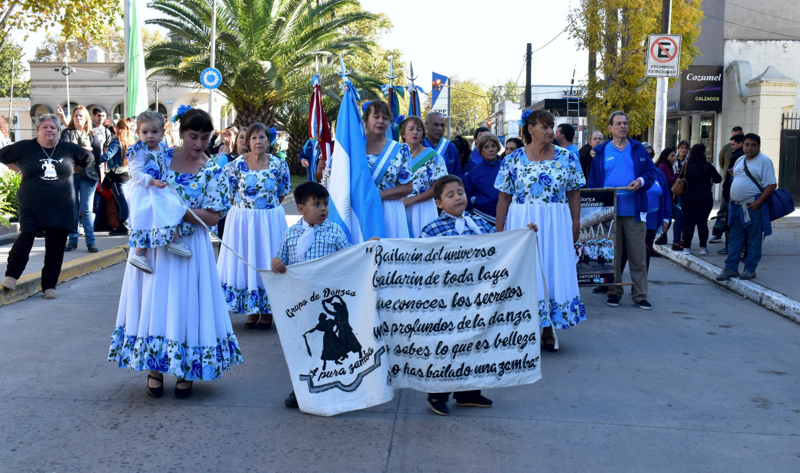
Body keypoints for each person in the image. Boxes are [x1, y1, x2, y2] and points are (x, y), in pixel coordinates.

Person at [108, 107, 241, 399]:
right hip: (155, 244)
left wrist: (178, 213)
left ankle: (185, 369)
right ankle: (155, 367)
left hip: (190, 247)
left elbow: (213, 216)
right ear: (180, 134)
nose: (199, 143)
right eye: (193, 136)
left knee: (185, 305)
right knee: (155, 301)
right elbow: (137, 185)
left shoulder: (213, 168)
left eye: (205, 138)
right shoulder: (160, 156)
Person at [420, 175, 537, 416]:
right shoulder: (432, 230)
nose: (457, 198)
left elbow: (500, 247)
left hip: (478, 299)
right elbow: (422, 261)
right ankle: (437, 393)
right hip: (448, 302)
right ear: (438, 203)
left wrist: (522, 235)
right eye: (450, 195)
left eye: (460, 192)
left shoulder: (480, 224)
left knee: (475, 342)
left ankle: (468, 392)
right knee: (448, 346)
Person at [496, 109, 586, 351]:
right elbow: (504, 197)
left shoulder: (567, 157)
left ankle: (548, 328)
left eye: (551, 126)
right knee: (524, 272)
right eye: (544, 126)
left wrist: (575, 223)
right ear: (530, 129)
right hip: (521, 221)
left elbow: (574, 192)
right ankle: (519, 329)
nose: (550, 131)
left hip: (555, 223)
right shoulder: (512, 159)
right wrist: (499, 230)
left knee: (551, 269)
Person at [271, 182, 352, 409]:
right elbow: (282, 259)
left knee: (331, 347)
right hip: (302, 302)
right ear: (300, 209)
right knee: (304, 345)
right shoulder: (291, 234)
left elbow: (349, 256)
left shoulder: (334, 231)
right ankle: (301, 387)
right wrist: (276, 262)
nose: (323, 209)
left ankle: (333, 384)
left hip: (328, 305)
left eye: (325, 204)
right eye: (316, 204)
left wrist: (367, 250)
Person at [0, 114, 94, 298]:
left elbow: (89, 158)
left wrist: (72, 171)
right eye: (45, 127)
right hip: (31, 203)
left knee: (56, 243)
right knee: (27, 233)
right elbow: (2, 155)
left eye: (53, 127)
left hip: (61, 205)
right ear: (38, 130)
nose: (49, 130)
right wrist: (19, 169)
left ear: (58, 131)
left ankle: (49, 286)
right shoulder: (26, 147)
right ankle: (11, 275)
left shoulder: (68, 149)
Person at [218, 122, 290, 329]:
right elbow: (229, 193)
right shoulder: (235, 165)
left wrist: (264, 211)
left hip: (269, 222)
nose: (258, 142)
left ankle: (266, 311)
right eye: (254, 138)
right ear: (248, 141)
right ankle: (251, 310)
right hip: (243, 222)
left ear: (269, 141)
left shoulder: (279, 164)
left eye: (262, 138)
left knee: (267, 260)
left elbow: (282, 191)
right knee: (247, 262)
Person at [586, 111, 657, 310]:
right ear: (610, 128)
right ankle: (614, 292)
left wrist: (641, 181)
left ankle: (640, 295)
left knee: (638, 256)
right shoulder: (600, 152)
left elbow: (652, 172)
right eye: (618, 124)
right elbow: (592, 183)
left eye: (625, 123)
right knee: (613, 255)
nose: (622, 126)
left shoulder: (638, 149)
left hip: (634, 210)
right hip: (609, 212)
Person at [126, 111, 193, 274]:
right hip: (144, 190)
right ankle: (139, 254)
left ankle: (173, 240)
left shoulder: (162, 149)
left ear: (163, 132)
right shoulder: (139, 151)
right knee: (143, 218)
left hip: (159, 188)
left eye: (154, 132)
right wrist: (152, 181)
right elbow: (135, 173)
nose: (150, 136)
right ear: (138, 133)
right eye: (145, 132)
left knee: (174, 207)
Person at [716, 133, 776, 281]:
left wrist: (758, 203)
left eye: (753, 145)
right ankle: (731, 268)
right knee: (734, 238)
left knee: (753, 239)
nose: (750, 148)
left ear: (758, 146)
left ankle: (750, 269)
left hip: (753, 205)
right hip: (736, 206)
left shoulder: (764, 161)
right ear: (743, 145)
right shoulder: (740, 160)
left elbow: (771, 184)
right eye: (747, 144)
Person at [355, 100, 413, 238]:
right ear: (366, 119)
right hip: (360, 209)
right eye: (376, 117)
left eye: (385, 118)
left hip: (391, 211)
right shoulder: (353, 149)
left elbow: (408, 187)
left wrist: (379, 195)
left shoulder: (400, 149)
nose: (380, 121)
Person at [59, 106, 102, 253]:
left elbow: (96, 155)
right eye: (76, 116)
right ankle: (73, 240)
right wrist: (86, 149)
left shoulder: (92, 134)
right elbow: (65, 150)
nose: (78, 118)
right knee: (73, 209)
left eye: (81, 116)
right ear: (72, 118)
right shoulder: (67, 132)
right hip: (71, 175)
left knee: (87, 210)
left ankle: (91, 242)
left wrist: (81, 150)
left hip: (89, 176)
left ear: (86, 119)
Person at [400, 116, 448, 237]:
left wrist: (412, 200)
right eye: (411, 129)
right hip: (399, 207)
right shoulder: (395, 155)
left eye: (419, 129)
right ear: (403, 133)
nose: (415, 132)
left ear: (423, 134)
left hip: (423, 209)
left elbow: (439, 188)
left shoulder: (433, 157)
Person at [680, 143, 722, 255]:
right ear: (703, 153)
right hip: (705, 198)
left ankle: (686, 247)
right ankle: (703, 247)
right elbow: (718, 179)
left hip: (689, 197)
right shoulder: (708, 166)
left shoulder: (686, 165)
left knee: (689, 222)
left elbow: (679, 178)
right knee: (702, 223)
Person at [711, 126, 744, 244]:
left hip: (737, 185)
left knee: (733, 214)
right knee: (723, 210)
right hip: (728, 180)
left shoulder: (744, 152)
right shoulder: (727, 148)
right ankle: (718, 232)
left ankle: (733, 241)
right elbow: (721, 162)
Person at [463, 132, 503, 225]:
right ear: (481, 151)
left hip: (507, 216)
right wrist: (475, 200)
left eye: (493, 146)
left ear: (498, 148)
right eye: (486, 147)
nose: (491, 150)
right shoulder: (474, 172)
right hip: (482, 218)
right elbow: (466, 194)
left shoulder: (507, 167)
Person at [104, 119, 136, 235]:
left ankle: (123, 225)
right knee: (126, 201)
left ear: (118, 129)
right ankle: (127, 224)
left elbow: (108, 154)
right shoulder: (130, 141)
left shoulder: (117, 141)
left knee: (122, 201)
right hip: (127, 174)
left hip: (117, 175)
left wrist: (95, 160)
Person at [718, 134, 746, 255]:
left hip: (734, 195)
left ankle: (731, 246)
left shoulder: (737, 157)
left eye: (734, 144)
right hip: (740, 194)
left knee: (731, 221)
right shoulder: (740, 156)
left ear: (740, 143)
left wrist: (725, 192)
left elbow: (730, 176)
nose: (732, 147)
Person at [653, 148, 683, 248]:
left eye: (675, 155)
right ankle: (676, 242)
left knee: (667, 219)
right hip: (665, 199)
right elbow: (668, 181)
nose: (674, 158)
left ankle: (663, 238)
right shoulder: (663, 166)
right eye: (672, 156)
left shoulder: (667, 166)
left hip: (667, 198)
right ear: (666, 157)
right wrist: (676, 175)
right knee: (679, 216)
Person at [424, 111, 462, 176]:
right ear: (426, 125)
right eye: (436, 125)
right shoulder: (419, 146)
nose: (440, 129)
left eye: (442, 125)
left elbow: (457, 175)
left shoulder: (451, 147)